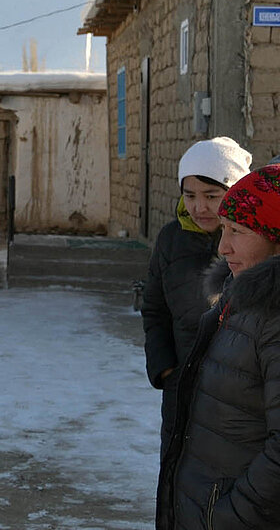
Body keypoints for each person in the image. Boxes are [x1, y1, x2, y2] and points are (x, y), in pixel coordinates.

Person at [156, 164, 280, 529]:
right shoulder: (237, 297)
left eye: (238, 231)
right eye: (224, 229)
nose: (223, 246)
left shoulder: (272, 318)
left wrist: (230, 514)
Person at [141, 137, 251, 458]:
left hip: (238, 397)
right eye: (190, 196)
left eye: (212, 196)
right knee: (177, 478)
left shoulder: (255, 242)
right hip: (182, 389)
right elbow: (154, 310)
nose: (199, 207)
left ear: (235, 192)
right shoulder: (170, 240)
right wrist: (165, 370)